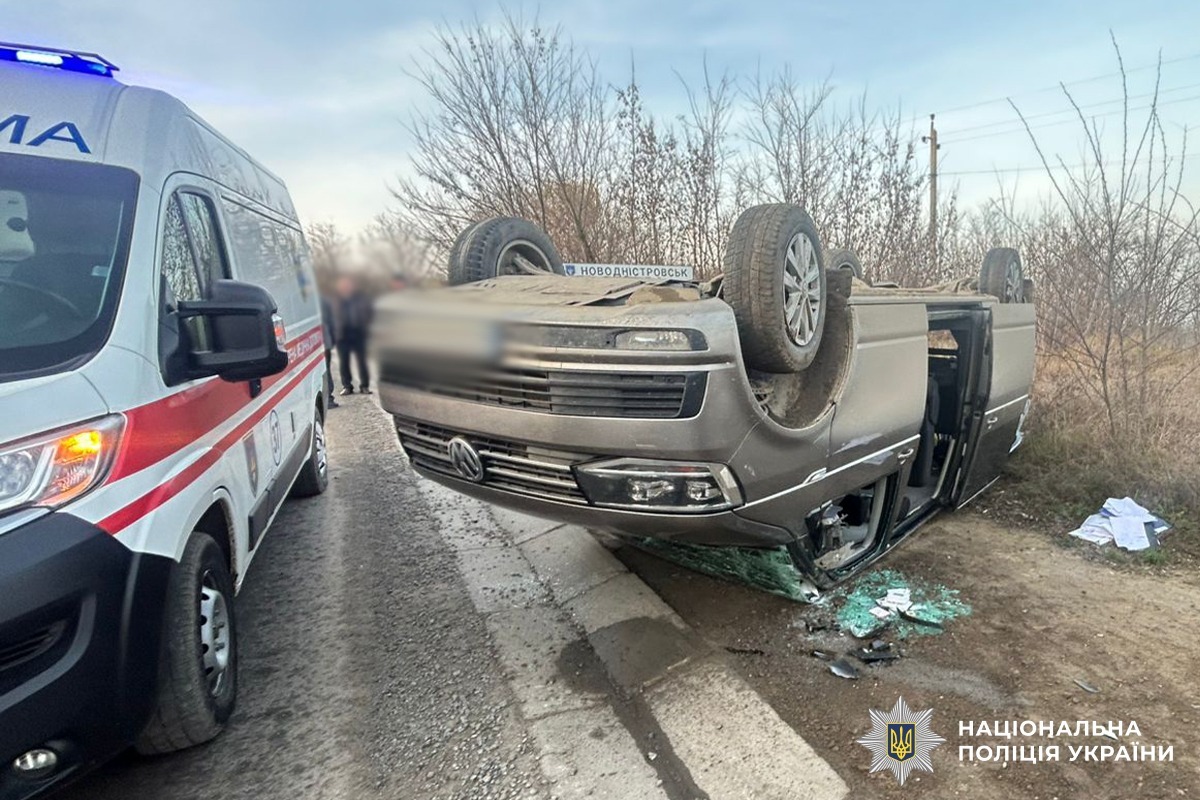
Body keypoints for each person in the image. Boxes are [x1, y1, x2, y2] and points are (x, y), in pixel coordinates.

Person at [334, 275, 373, 395]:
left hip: (358, 333)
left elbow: (369, 313)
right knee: (344, 362)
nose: (345, 287)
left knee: (362, 362)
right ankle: (347, 386)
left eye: (348, 284)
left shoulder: (361, 298)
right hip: (342, 334)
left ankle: (364, 386)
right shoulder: (335, 300)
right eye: (343, 285)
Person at [319, 294, 339, 409]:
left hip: (319, 341)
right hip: (324, 340)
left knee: (324, 369)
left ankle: (328, 398)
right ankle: (329, 398)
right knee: (326, 369)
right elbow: (332, 321)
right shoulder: (323, 299)